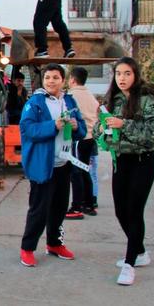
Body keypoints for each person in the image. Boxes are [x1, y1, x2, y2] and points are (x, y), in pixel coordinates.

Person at [94, 56, 154, 286]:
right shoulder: (111, 101)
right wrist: (103, 128)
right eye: (118, 74)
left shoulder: (147, 100)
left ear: (135, 75)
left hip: (143, 162)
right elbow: (97, 130)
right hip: (121, 161)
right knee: (120, 211)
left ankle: (129, 263)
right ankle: (141, 251)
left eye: (127, 73)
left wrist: (124, 124)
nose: (122, 78)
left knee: (135, 211)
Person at [18, 63, 86, 267]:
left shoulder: (70, 101)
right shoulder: (35, 102)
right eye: (47, 77)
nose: (51, 81)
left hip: (64, 164)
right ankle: (27, 248)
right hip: (43, 165)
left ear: (62, 80)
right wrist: (53, 125)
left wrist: (76, 126)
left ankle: (54, 244)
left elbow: (82, 129)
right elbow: (28, 129)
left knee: (59, 207)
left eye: (55, 77)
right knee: (39, 209)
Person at [65, 67, 100, 219]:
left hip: (79, 139)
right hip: (91, 139)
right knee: (84, 170)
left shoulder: (72, 96)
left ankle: (76, 207)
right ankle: (89, 204)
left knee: (76, 172)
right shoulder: (91, 95)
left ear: (72, 79)